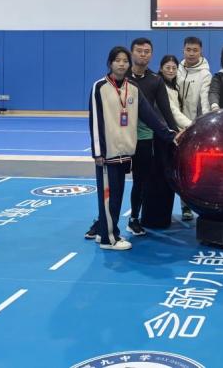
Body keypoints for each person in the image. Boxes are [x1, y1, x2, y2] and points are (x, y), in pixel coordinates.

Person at [88, 46, 177, 251]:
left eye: (124, 61)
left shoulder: (133, 88)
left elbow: (150, 116)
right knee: (108, 196)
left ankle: (106, 232)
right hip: (107, 153)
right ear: (110, 63)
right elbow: (95, 122)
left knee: (117, 195)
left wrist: (169, 135)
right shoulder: (99, 87)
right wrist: (98, 152)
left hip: (125, 152)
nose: (121, 64)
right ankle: (109, 239)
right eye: (117, 60)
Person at [126, 38, 178, 236]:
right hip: (120, 139)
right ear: (132, 53)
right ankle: (102, 220)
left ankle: (134, 219)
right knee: (113, 181)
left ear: (151, 55)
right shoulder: (121, 78)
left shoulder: (156, 80)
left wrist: (175, 133)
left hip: (145, 139)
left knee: (140, 180)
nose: (143, 54)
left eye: (147, 51)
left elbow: (165, 110)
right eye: (139, 50)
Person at [176, 36, 212, 220]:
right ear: (183, 50)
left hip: (194, 128)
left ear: (201, 51)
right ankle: (184, 206)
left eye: (195, 50)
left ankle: (195, 204)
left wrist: (204, 124)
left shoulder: (205, 74)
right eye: (188, 50)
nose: (191, 53)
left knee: (194, 169)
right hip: (175, 127)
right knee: (178, 167)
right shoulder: (176, 70)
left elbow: (205, 101)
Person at [159, 55, 193, 131]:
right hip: (165, 129)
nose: (171, 71)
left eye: (174, 68)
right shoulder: (161, 87)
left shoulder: (174, 86)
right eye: (168, 68)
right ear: (161, 69)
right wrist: (191, 125)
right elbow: (173, 111)